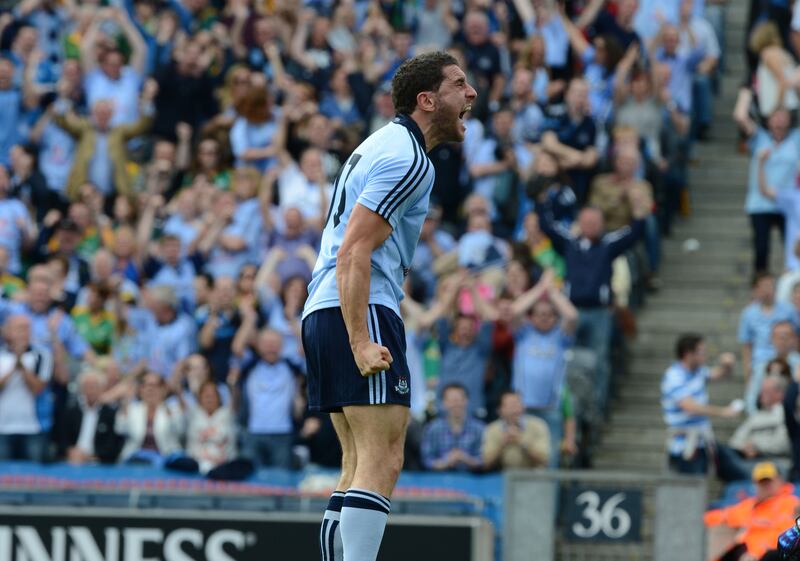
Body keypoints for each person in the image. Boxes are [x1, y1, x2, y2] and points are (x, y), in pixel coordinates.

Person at [301, 52, 476, 561]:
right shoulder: (408, 158)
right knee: (384, 458)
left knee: (356, 462)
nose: (470, 95)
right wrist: (360, 338)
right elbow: (356, 248)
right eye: (458, 85)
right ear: (427, 100)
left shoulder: (379, 144)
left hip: (324, 306)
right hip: (360, 306)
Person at [661, 333, 739, 475]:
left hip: (703, 441)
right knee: (693, 490)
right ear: (688, 354)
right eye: (701, 352)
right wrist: (723, 411)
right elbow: (689, 407)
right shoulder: (674, 376)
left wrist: (727, 365)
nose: (705, 355)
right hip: (685, 446)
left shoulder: (698, 372)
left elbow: (719, 374)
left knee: (736, 471)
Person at [706, 462, 796, 561]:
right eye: (761, 482)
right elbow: (723, 515)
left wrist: (756, 553)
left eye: (769, 481)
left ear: (780, 481)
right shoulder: (749, 505)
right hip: (745, 552)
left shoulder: (790, 504)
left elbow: (785, 536)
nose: (766, 486)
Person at [0, 314, 56, 462]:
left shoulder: (42, 356)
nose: (24, 333)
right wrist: (15, 365)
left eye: (27, 328)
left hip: (33, 427)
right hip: (2, 427)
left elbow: (37, 389)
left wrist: (22, 365)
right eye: (19, 328)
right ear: (8, 332)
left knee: (34, 478)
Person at [420, 383, 485, 472]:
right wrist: (445, 462)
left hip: (473, 480)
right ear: (444, 403)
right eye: (451, 400)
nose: (456, 404)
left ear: (466, 400)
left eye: (459, 399)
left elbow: (485, 460)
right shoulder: (433, 428)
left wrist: (465, 458)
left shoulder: (480, 428)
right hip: (439, 480)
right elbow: (426, 460)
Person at [482, 390, 550, 470]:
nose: (516, 409)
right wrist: (502, 444)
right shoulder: (492, 429)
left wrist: (522, 442)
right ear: (499, 410)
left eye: (518, 404)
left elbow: (544, 460)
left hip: (534, 477)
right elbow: (486, 464)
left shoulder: (538, 425)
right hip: (503, 478)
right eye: (511, 406)